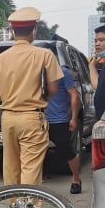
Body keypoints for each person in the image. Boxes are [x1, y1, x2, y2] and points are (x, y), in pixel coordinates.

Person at [0, 7, 63, 186]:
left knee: (11, 166)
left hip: (8, 118)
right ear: (34, 30)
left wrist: (12, 97)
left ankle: (13, 207)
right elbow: (53, 89)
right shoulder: (44, 55)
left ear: (12, 31)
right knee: (31, 166)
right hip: (31, 117)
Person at [43, 58, 83, 194]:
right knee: (35, 151)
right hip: (37, 119)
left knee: (67, 152)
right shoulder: (34, 71)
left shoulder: (62, 72)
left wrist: (73, 118)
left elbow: (74, 95)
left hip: (58, 120)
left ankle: (76, 178)